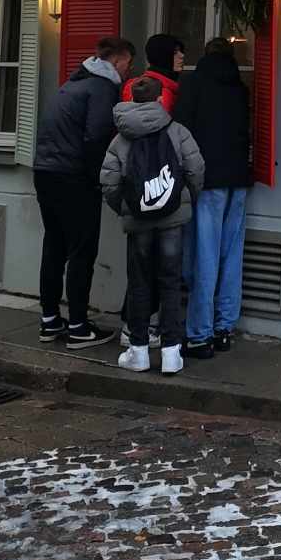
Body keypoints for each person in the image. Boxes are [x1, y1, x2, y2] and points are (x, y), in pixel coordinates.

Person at [33, 35, 135, 346]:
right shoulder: (102, 88)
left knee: (54, 246)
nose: (129, 72)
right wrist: (99, 178)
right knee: (82, 251)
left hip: (45, 171)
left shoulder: (72, 83)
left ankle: (50, 320)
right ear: (116, 60)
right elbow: (96, 136)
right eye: (128, 64)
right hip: (74, 177)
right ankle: (78, 326)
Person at [99, 76, 205, 375]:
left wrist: (127, 207)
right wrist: (184, 200)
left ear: (132, 99)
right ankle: (171, 353)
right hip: (173, 218)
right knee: (170, 282)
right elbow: (196, 170)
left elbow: (109, 183)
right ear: (160, 100)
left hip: (139, 220)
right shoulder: (178, 131)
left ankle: (139, 352)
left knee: (139, 283)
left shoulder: (120, 138)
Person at [174, 37, 253, 360]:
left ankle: (199, 334)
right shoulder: (240, 87)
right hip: (239, 177)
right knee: (232, 254)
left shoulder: (194, 84)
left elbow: (181, 132)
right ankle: (224, 328)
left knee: (203, 256)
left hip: (207, 180)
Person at [116, 32, 187, 347]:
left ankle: (132, 327)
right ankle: (143, 329)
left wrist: (121, 198)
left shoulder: (134, 86)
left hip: (135, 190)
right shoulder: (163, 93)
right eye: (177, 51)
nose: (182, 57)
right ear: (165, 56)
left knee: (140, 264)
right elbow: (166, 146)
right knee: (158, 267)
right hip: (160, 188)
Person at [122, 33, 186, 111]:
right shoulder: (161, 92)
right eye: (175, 52)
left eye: (181, 51)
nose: (182, 55)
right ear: (162, 56)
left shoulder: (135, 84)